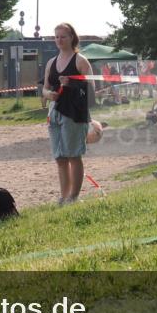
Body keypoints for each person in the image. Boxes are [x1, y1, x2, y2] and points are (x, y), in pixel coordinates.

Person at [42, 23, 94, 204]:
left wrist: (71, 83)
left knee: (73, 155)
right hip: (54, 112)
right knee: (60, 157)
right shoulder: (51, 63)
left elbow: (92, 90)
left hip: (74, 113)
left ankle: (74, 196)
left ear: (72, 37)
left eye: (63, 36)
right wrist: (49, 94)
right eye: (56, 37)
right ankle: (63, 196)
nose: (59, 40)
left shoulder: (80, 61)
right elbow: (45, 89)